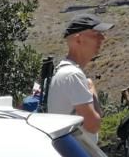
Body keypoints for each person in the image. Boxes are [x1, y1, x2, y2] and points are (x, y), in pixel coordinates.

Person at [46, 13, 113, 141]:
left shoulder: (65, 71)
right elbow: (93, 125)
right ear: (78, 39)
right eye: (96, 34)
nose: (102, 38)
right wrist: (92, 90)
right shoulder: (73, 75)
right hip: (76, 155)